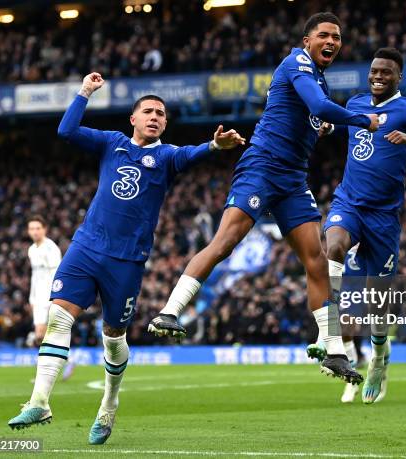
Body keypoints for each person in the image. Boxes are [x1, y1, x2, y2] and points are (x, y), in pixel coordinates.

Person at [8, 72, 245, 444]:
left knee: (113, 338)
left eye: (161, 114)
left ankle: (109, 404)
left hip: (127, 261)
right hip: (86, 248)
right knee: (58, 318)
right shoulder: (111, 143)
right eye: (148, 111)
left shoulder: (166, 157)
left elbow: (192, 154)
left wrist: (214, 146)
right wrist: (84, 92)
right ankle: (39, 400)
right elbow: (66, 131)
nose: (155, 116)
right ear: (132, 119)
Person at [148, 12, 379, 384]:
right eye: (324, 35)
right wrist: (364, 119)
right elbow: (318, 108)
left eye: (337, 37)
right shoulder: (297, 61)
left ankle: (335, 350)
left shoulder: (315, 77)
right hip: (262, 166)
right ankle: (169, 311)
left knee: (316, 261)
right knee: (225, 243)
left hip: (291, 177)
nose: (332, 42)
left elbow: (314, 116)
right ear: (307, 40)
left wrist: (325, 126)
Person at [316, 47, 406, 403]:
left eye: (386, 72)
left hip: (383, 217)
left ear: (398, 77)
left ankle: (379, 356)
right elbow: (337, 123)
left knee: (376, 304)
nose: (378, 76)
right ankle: (330, 331)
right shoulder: (356, 102)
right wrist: (330, 126)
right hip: (349, 201)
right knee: (332, 245)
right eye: (374, 71)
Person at [26, 216, 62, 345]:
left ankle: (62, 360)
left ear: (44, 229)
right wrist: (32, 298)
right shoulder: (31, 250)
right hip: (38, 297)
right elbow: (34, 276)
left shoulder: (51, 248)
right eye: (32, 229)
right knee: (40, 334)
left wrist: (57, 296)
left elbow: (58, 274)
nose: (35, 231)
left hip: (51, 295)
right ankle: (65, 361)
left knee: (48, 332)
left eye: (38, 228)